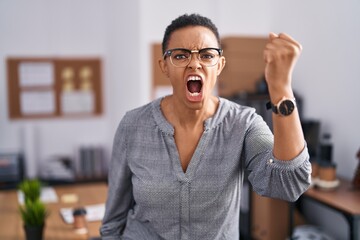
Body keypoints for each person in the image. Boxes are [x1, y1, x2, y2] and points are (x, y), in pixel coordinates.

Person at [100, 13, 311, 240]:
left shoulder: (243, 123)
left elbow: (289, 184)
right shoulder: (132, 126)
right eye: (180, 56)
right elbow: (113, 221)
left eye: (207, 55)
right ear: (164, 66)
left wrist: (280, 88)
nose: (194, 63)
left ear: (219, 65)